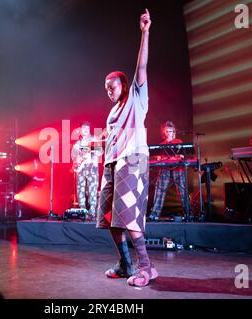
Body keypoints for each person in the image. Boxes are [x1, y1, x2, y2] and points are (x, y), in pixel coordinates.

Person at [96, 9, 157, 287]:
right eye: (106, 88)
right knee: (110, 218)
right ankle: (125, 263)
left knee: (129, 216)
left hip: (133, 160)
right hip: (112, 163)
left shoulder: (136, 95)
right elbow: (109, 138)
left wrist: (144, 32)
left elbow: (142, 67)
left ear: (124, 82)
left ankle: (147, 267)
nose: (109, 90)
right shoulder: (111, 113)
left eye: (113, 85)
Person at [148, 121, 190, 221]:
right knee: (160, 190)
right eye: (167, 131)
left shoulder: (178, 142)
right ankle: (155, 214)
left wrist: (172, 158)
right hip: (165, 168)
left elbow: (181, 156)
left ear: (173, 131)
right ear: (164, 132)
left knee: (182, 190)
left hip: (177, 168)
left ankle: (188, 213)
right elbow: (159, 158)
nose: (168, 133)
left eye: (170, 131)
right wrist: (163, 158)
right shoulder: (161, 144)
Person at [71, 122, 101, 218]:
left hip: (92, 168)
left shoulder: (94, 139)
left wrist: (94, 149)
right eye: (83, 128)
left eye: (87, 128)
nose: (85, 130)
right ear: (80, 130)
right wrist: (77, 159)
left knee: (92, 190)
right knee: (80, 190)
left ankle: (92, 213)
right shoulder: (77, 143)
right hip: (81, 169)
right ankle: (82, 211)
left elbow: (100, 152)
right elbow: (73, 156)